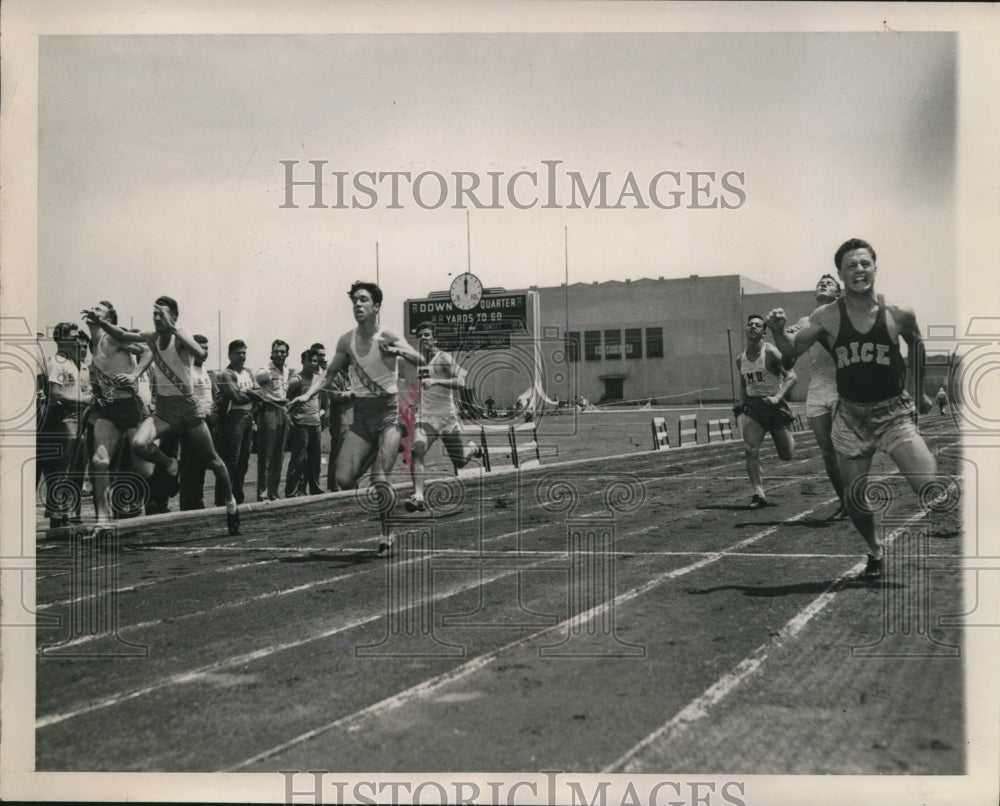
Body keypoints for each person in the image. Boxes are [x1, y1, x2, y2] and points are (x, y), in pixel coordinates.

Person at [768, 238, 939, 580]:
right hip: (850, 415)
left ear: (875, 267)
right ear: (841, 274)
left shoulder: (899, 312)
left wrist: (918, 392)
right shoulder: (826, 316)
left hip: (892, 412)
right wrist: (776, 331)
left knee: (928, 485)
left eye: (864, 263)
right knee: (854, 498)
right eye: (851, 266)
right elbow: (791, 351)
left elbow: (917, 345)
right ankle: (875, 550)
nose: (859, 270)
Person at [87, 296, 240, 534]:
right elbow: (124, 335)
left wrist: (175, 329)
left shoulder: (181, 335)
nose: (156, 318)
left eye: (161, 314)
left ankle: (231, 504)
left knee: (213, 461)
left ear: (173, 317)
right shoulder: (151, 337)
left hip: (187, 409)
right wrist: (101, 323)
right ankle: (171, 464)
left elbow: (201, 353)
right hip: (165, 409)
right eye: (154, 314)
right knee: (138, 444)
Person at [291, 281, 422, 552]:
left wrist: (400, 351)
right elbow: (328, 375)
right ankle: (374, 452)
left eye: (363, 300)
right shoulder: (345, 341)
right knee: (344, 480)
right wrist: (307, 395)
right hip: (361, 417)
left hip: (389, 413)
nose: (358, 305)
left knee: (379, 478)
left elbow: (419, 358)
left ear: (376, 306)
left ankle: (387, 535)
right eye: (354, 300)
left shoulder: (387, 335)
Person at [81, 301, 152, 528]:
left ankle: (167, 467)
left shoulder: (113, 338)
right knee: (99, 462)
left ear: (108, 318)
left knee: (145, 470)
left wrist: (134, 374)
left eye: (99, 309)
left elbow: (148, 349)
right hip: (110, 410)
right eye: (92, 307)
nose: (92, 309)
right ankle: (102, 519)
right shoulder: (94, 345)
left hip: (132, 407)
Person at [785, 275, 848, 519]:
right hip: (817, 388)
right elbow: (789, 351)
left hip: (842, 387)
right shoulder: (804, 321)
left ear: (837, 294)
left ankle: (854, 497)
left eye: (829, 283)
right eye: (820, 283)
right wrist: (786, 334)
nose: (823, 284)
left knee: (844, 448)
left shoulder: (844, 316)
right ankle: (844, 502)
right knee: (827, 451)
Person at [404, 321, 483, 512]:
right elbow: (423, 388)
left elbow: (462, 381)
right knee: (417, 450)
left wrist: (437, 380)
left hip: (446, 417)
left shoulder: (444, 358)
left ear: (434, 338)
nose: (423, 338)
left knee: (459, 461)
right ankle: (419, 496)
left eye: (427, 335)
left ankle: (472, 449)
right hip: (426, 417)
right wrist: (414, 405)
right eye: (420, 335)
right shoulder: (419, 361)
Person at [733, 314, 797, 509]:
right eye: (750, 324)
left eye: (757, 325)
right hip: (754, 409)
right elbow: (745, 383)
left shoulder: (771, 352)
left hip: (775, 407)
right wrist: (741, 403)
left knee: (786, 455)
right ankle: (758, 493)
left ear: (763, 331)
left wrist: (778, 398)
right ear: (746, 329)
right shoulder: (740, 359)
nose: (753, 327)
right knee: (750, 450)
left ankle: (788, 434)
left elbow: (792, 376)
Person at [37, 322, 93, 528]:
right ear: (61, 340)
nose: (77, 341)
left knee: (72, 469)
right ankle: (57, 517)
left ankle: (65, 514)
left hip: (77, 421)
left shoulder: (72, 363)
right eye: (72, 337)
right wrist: (82, 399)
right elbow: (55, 393)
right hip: (63, 421)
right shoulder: (59, 362)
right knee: (61, 470)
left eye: (77, 337)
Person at [214, 339, 258, 505]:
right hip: (233, 418)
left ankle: (238, 495)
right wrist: (253, 395)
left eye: (244, 353)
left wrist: (253, 394)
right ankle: (223, 498)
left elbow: (259, 391)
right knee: (231, 459)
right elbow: (237, 397)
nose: (242, 356)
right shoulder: (226, 374)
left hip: (248, 417)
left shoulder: (248, 372)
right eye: (238, 353)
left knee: (244, 460)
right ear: (230, 355)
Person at [177, 334, 216, 510]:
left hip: (206, 422)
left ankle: (197, 499)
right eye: (201, 347)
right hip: (192, 422)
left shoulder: (204, 371)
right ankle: (187, 503)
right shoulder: (187, 369)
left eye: (207, 348)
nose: (204, 351)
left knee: (201, 463)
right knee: (189, 464)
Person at [254, 339, 291, 501]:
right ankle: (262, 492)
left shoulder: (287, 371)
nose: (279, 354)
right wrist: (268, 400)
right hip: (269, 411)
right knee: (266, 455)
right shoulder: (265, 370)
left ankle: (274, 492)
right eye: (276, 351)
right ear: (271, 352)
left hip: (283, 412)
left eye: (282, 351)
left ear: (287, 354)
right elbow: (256, 388)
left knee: (279, 455)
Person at [285, 348, 324, 497]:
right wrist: (290, 420)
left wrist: (320, 414)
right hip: (301, 425)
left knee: (314, 461)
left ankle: (314, 488)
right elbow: (286, 403)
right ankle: (292, 491)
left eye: (315, 361)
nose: (314, 363)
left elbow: (318, 399)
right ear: (303, 362)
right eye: (310, 361)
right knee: (298, 461)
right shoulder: (296, 380)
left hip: (316, 424)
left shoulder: (318, 378)